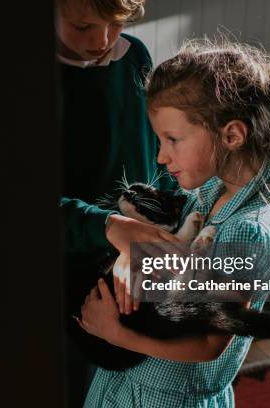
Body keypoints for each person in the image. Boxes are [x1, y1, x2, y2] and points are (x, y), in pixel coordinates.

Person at [77, 37, 270, 407]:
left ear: (232, 135)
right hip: (128, 384)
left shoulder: (249, 229)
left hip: (167, 398)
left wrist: (115, 334)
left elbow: (210, 344)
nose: (161, 156)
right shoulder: (207, 191)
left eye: (172, 139)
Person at [56, 0, 180, 405]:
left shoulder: (135, 57)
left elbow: (153, 159)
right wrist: (108, 227)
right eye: (83, 27)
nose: (104, 40)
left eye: (116, 24)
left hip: (131, 261)